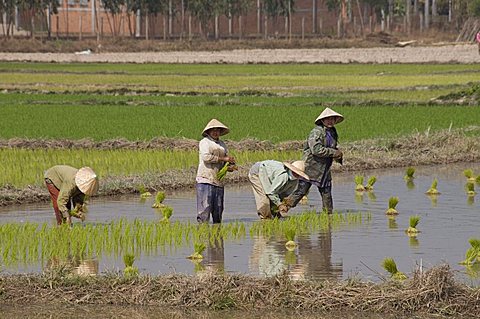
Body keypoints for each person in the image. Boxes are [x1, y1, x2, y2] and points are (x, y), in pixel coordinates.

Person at [284, 107, 344, 214]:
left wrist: (338, 156)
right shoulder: (316, 132)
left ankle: (328, 217)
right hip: (311, 166)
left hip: (324, 168)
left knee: (327, 193)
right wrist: (334, 152)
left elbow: (332, 147)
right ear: (322, 120)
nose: (330, 121)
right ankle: (282, 209)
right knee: (301, 191)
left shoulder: (333, 132)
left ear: (335, 120)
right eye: (327, 119)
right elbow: (316, 150)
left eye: (332, 119)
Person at [196, 119, 235, 224]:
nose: (215, 132)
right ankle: (203, 235)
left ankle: (217, 235)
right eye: (213, 130)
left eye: (217, 130)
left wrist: (229, 166)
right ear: (208, 132)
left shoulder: (222, 144)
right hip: (206, 179)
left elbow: (226, 159)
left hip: (218, 181)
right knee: (205, 209)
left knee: (218, 210)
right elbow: (206, 157)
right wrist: (223, 159)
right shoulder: (205, 142)